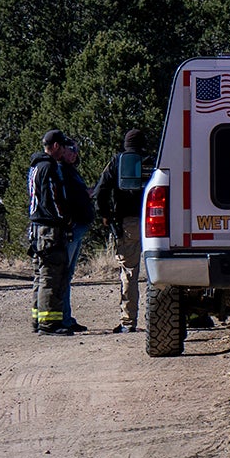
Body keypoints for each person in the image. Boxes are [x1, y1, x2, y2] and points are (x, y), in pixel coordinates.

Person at [24, 129, 96, 336]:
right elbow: (53, 200)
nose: (65, 150)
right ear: (55, 146)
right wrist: (66, 220)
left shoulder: (36, 166)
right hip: (48, 229)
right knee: (50, 276)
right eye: (63, 146)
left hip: (38, 229)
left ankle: (39, 320)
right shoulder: (49, 168)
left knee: (41, 275)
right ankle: (49, 324)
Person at [98, 131, 151, 332]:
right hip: (156, 221)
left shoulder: (117, 162)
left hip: (128, 222)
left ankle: (128, 322)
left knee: (129, 272)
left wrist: (105, 215)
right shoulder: (152, 160)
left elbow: (101, 190)